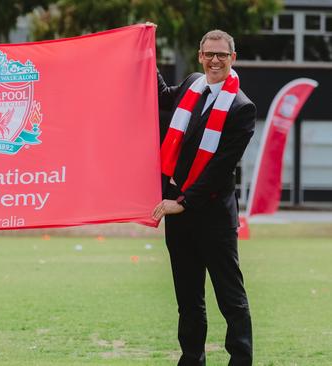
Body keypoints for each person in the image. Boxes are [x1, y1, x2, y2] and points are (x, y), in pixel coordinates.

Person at [153, 29, 255, 365]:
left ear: (232, 59)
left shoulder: (242, 108)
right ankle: (191, 358)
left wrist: (180, 202)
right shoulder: (191, 85)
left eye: (222, 55)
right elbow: (160, 96)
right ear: (200, 55)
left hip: (212, 217)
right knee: (188, 298)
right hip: (180, 216)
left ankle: (240, 359)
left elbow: (219, 169)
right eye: (209, 54)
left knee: (231, 298)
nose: (214, 60)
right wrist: (142, 52)